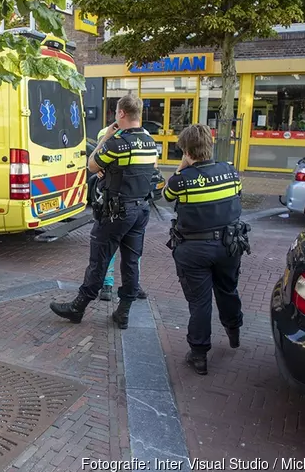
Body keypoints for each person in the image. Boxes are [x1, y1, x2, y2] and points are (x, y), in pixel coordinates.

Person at [50, 94, 157, 329]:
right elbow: (150, 170)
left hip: (116, 212)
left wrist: (107, 137)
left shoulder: (117, 143)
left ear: (121, 114)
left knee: (99, 260)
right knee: (131, 261)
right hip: (141, 210)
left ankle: (78, 306)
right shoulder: (150, 143)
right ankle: (124, 311)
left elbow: (92, 164)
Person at [163, 124, 249, 376]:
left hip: (194, 249)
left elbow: (167, 195)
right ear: (209, 146)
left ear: (186, 151)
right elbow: (236, 197)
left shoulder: (182, 181)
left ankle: (199, 355)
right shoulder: (231, 172)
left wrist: (182, 167)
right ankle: (234, 332)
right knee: (228, 289)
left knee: (200, 302)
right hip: (230, 245)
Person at [92, 126, 153, 302]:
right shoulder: (108, 133)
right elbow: (97, 162)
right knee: (124, 250)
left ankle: (124, 285)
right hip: (120, 200)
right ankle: (112, 284)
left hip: (127, 200)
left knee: (127, 251)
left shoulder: (141, 134)